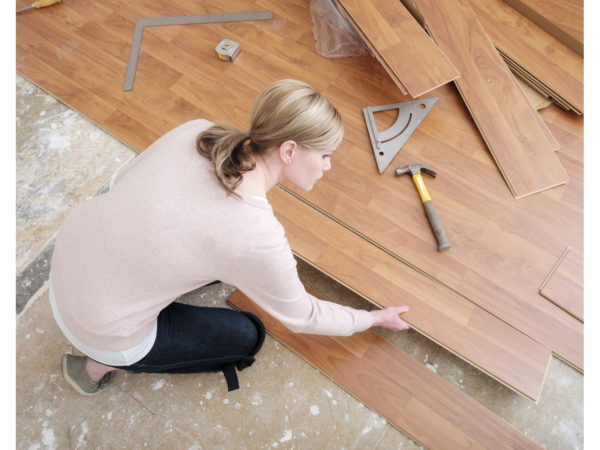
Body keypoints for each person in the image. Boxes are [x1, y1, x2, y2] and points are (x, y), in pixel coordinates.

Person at [49, 79, 410, 396]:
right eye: (326, 155)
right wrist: (373, 318)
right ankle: (94, 367)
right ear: (289, 150)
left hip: (66, 262)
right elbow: (305, 316)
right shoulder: (256, 235)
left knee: (211, 256)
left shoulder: (198, 131)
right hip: (101, 328)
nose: (328, 166)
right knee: (248, 336)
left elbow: (121, 183)